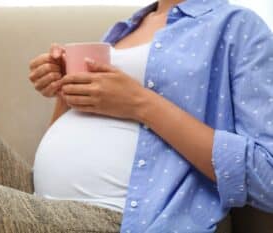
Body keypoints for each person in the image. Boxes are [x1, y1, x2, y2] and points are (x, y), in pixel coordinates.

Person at [28, 0, 273, 232]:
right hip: (40, 200)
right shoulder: (122, 30)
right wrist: (64, 88)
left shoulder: (238, 26)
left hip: (123, 216)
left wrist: (139, 103)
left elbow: (268, 177)